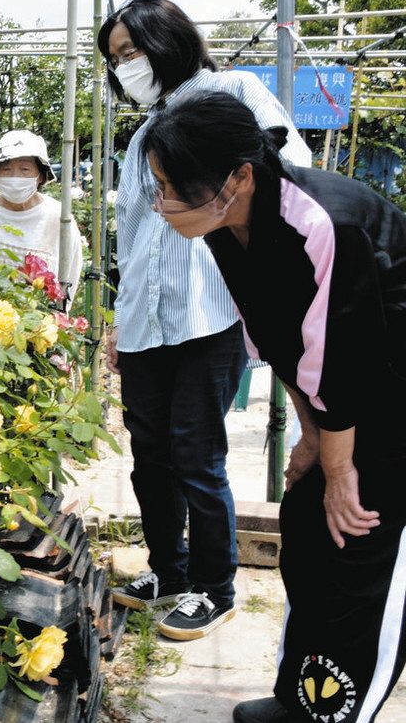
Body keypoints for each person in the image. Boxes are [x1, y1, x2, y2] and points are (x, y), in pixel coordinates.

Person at [144, 88, 406, 723]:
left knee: (362, 536)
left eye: (176, 189)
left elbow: (346, 355)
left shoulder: (324, 223)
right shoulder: (223, 224)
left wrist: (340, 469)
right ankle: (303, 697)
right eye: (158, 186)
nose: (163, 204)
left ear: (241, 175)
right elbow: (280, 338)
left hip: (393, 395)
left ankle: (344, 710)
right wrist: (314, 441)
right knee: (308, 527)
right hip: (348, 393)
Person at [97, 0, 312, 641]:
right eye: (116, 59)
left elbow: (288, 172)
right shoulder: (140, 138)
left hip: (209, 314)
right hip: (143, 324)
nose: (126, 67)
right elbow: (133, 238)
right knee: (149, 455)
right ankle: (170, 571)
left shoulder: (233, 93)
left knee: (196, 453)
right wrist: (116, 319)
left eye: (132, 51)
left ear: (168, 42)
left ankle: (215, 587)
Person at [0, 129, 84, 300]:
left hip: (39, 320)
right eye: (6, 169)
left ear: (40, 176)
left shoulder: (59, 218)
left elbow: (70, 276)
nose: (15, 177)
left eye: (24, 169)